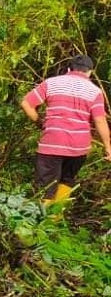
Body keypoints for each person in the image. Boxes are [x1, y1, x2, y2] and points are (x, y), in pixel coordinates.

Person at [20, 55, 111, 205]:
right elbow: (100, 120)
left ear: (69, 68)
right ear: (90, 72)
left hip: (52, 143)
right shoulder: (95, 91)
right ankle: (56, 219)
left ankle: (43, 223)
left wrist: (40, 122)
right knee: (67, 180)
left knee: (46, 187)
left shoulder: (51, 83)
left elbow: (26, 103)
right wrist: (108, 146)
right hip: (78, 148)